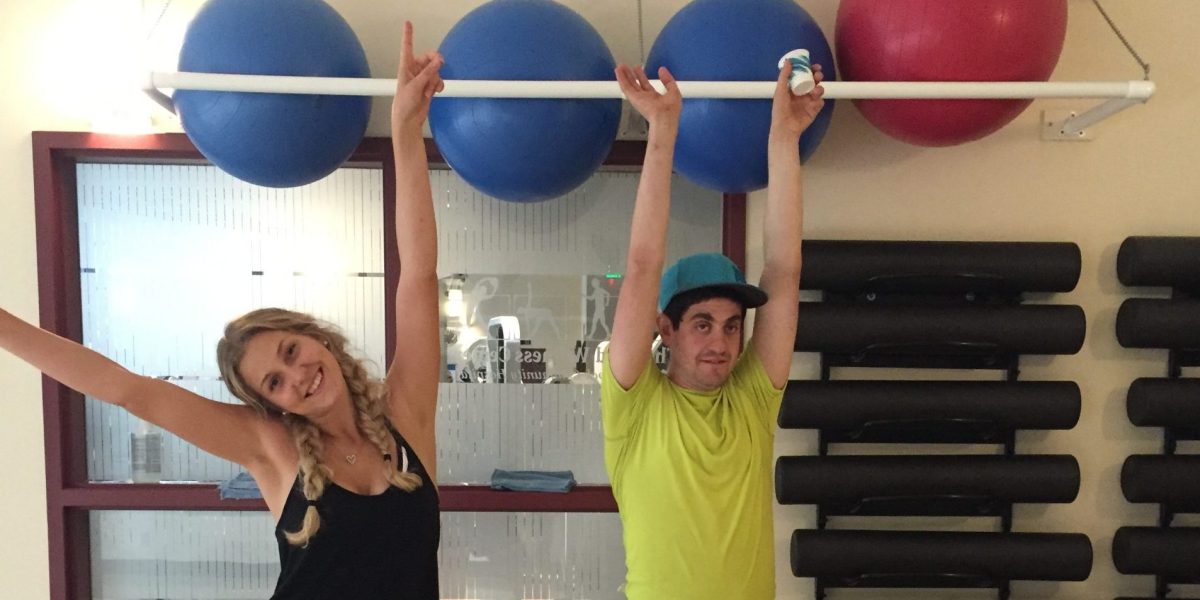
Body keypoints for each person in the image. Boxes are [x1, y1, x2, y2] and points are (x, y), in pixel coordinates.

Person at [0, 22, 446, 600]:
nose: (299, 377)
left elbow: (418, 277)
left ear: (320, 340)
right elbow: (127, 390)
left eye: (291, 353)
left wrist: (406, 129)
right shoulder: (271, 446)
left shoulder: (405, 415)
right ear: (269, 404)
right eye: (275, 382)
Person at [602, 60, 825, 599]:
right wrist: (662, 130)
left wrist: (785, 134)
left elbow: (784, 271)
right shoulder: (633, 406)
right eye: (702, 324)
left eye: (731, 326)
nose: (722, 342)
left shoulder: (750, 403)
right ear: (667, 329)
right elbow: (641, 266)